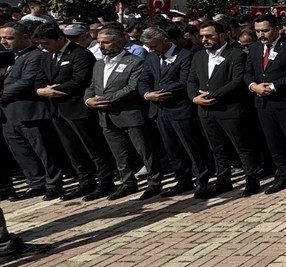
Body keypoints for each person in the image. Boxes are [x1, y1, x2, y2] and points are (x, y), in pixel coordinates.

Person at [32, 23, 117, 200]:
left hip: (78, 110)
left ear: (60, 38)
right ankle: (85, 181)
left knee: (93, 148)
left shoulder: (80, 54)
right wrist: (41, 91)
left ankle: (106, 181)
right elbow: (40, 79)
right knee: (73, 150)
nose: (43, 47)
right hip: (58, 111)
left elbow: (80, 80)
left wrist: (56, 89)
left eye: (46, 43)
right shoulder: (47, 57)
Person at [84, 25, 164, 200]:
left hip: (130, 115)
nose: (101, 46)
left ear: (120, 42)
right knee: (120, 153)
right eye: (99, 42)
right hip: (106, 118)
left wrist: (105, 100)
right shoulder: (98, 64)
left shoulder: (135, 62)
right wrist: (89, 100)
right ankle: (127, 183)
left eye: (106, 42)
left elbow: (132, 87)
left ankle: (154, 182)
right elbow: (92, 85)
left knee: (145, 151)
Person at [187, 20, 259, 198]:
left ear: (221, 35)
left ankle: (251, 179)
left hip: (230, 109)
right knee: (217, 148)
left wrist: (212, 96)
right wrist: (194, 97)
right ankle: (223, 180)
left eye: (209, 36)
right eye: (202, 36)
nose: (205, 39)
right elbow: (191, 80)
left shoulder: (236, 55)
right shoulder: (199, 56)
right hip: (206, 111)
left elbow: (236, 81)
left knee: (242, 146)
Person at [139, 26, 212, 198]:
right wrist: (148, 94)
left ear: (165, 40)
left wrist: (161, 92)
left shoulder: (186, 56)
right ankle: (183, 179)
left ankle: (201, 180)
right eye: (149, 47)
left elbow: (184, 81)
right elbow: (143, 80)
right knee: (172, 149)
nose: (151, 49)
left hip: (180, 109)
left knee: (191, 147)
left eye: (154, 45)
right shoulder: (151, 57)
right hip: (159, 111)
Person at [245, 13, 286, 195]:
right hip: (263, 103)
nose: (261, 35)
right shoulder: (255, 48)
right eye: (257, 31)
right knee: (273, 143)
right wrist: (253, 86)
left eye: (265, 30)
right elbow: (247, 72)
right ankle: (282, 176)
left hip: (284, 102)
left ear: (276, 29)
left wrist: (273, 86)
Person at [0, 21, 62, 200]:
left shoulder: (36, 56)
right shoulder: (7, 57)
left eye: (9, 38)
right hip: (8, 115)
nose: (4, 41)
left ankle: (53, 184)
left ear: (25, 37)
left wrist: (1, 94)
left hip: (31, 112)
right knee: (21, 151)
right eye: (2, 38)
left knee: (44, 151)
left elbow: (27, 82)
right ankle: (36, 182)